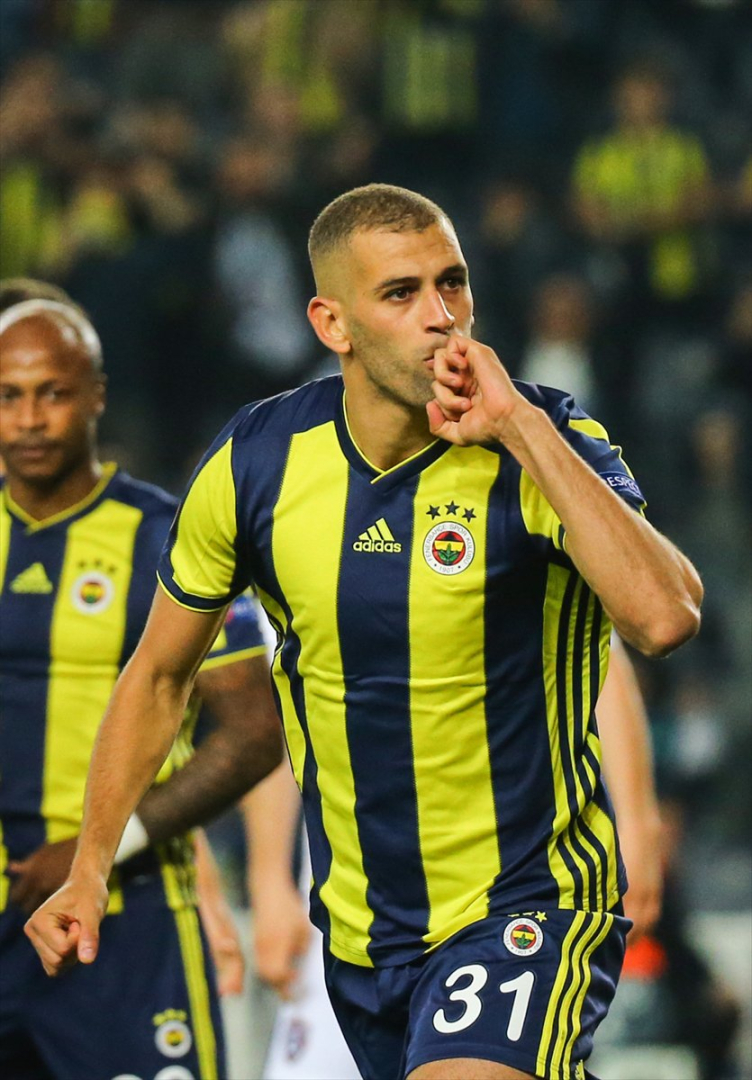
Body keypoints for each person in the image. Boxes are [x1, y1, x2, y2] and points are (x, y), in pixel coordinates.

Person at [27, 184, 703, 1080]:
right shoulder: (258, 461)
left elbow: (665, 617)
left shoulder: (547, 439)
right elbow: (159, 677)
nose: (442, 315)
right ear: (332, 324)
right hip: (362, 934)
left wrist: (521, 428)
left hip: (527, 906)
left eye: (453, 282)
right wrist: (91, 865)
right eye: (401, 293)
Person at [0, 283, 283, 1080]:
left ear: (95, 396)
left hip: (128, 923)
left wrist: (101, 847)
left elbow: (255, 732)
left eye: (53, 394)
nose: (30, 419)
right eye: (10, 397)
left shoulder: (165, 536)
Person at [244, 638, 663, 1080]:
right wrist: (269, 878)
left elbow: (598, 653)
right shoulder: (294, 595)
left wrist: (637, 826)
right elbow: (280, 709)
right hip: (353, 915)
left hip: (507, 889)